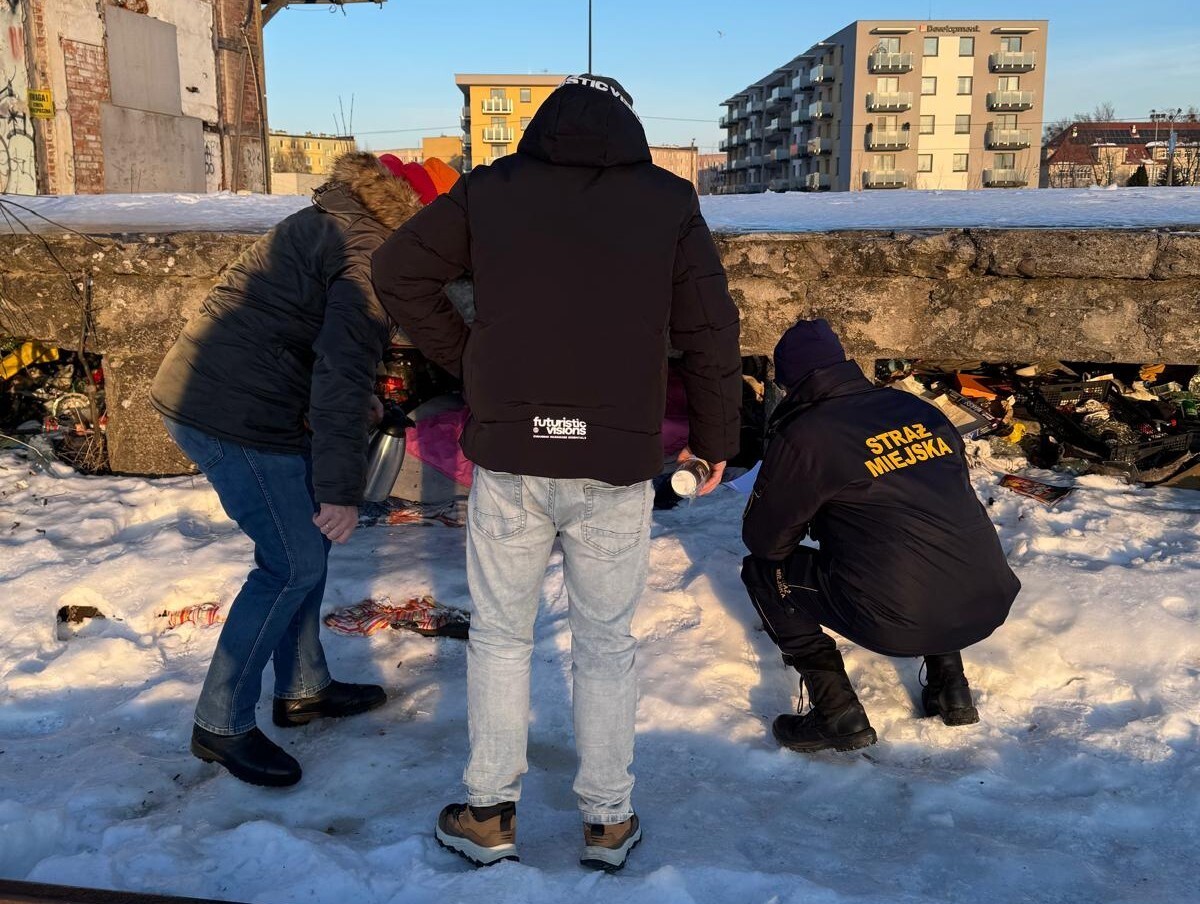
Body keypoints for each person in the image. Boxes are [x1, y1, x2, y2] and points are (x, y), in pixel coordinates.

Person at [372, 74, 742, 870]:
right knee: (605, 645)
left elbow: (398, 269)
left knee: (501, 638)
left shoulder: (491, 190)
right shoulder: (667, 201)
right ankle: (608, 822)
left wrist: (471, 362)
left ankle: (487, 813)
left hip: (515, 454)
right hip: (614, 460)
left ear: (541, 127)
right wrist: (716, 441)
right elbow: (711, 329)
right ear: (628, 129)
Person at [150, 153, 427, 787]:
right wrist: (341, 490)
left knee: (307, 550)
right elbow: (341, 369)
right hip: (229, 411)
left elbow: (317, 341)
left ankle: (302, 688)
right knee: (292, 562)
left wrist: (362, 403)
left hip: (243, 392)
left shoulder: (345, 219)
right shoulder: (371, 253)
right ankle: (220, 724)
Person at [741, 320, 1020, 754]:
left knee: (763, 572)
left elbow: (766, 542)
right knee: (919, 534)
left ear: (790, 382)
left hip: (899, 617)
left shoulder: (807, 434)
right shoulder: (915, 407)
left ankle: (836, 711)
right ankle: (951, 687)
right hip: (987, 597)